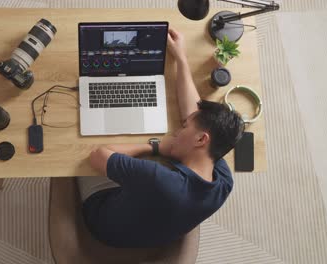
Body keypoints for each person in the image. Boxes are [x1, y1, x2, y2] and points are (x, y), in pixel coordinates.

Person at [77, 28, 245, 248]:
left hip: (105, 224)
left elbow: (98, 156)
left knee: (77, 153)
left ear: (200, 140)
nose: (177, 132)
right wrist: (180, 59)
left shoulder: (159, 179)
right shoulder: (223, 181)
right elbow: (193, 113)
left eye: (184, 127)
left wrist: (154, 146)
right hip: (154, 229)